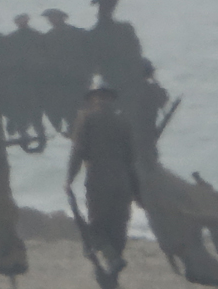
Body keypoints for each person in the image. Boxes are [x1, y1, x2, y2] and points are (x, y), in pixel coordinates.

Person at [67, 77, 141, 284]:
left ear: (94, 98)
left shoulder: (86, 118)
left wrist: (69, 180)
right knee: (118, 228)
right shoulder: (123, 122)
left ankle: (113, 260)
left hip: (99, 181)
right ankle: (113, 273)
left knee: (97, 228)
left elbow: (78, 152)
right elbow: (132, 160)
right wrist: (137, 191)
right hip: (123, 182)